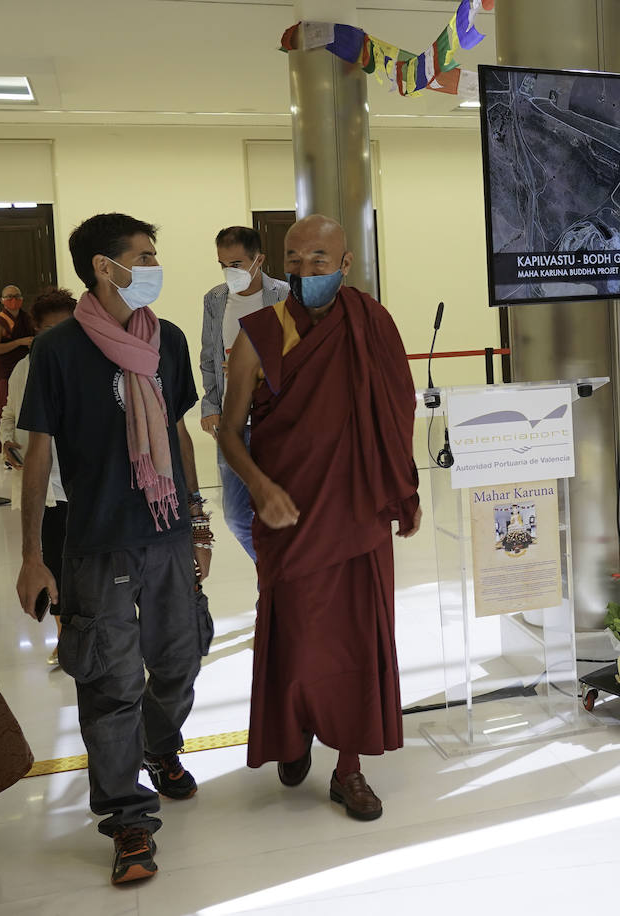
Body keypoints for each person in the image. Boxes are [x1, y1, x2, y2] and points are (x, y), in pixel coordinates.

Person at [15, 213, 213, 885]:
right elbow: (38, 457)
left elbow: (179, 436)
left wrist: (198, 521)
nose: (155, 266)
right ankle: (128, 817)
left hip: (164, 533)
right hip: (96, 542)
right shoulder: (58, 350)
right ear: (106, 267)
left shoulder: (170, 340)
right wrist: (32, 557)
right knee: (110, 681)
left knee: (181, 660)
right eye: (145, 255)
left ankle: (161, 747)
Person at [218, 214, 420, 821]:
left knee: (360, 638)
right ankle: (294, 729)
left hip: (356, 513)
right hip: (291, 516)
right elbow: (229, 434)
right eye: (294, 259)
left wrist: (401, 490)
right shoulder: (257, 333)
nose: (305, 271)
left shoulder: (370, 323)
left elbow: (395, 411)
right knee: (297, 638)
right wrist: (260, 487)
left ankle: (350, 768)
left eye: (319, 261)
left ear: (346, 263)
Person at [200, 226, 289, 562]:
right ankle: (270, 574)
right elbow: (209, 356)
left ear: (259, 260)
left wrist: (257, 365)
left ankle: (277, 587)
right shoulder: (215, 299)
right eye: (223, 264)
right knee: (237, 516)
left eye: (236, 263)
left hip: (276, 419)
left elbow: (299, 353)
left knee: (280, 509)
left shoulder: (284, 295)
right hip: (233, 423)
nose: (229, 272)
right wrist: (210, 404)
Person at [0, 287, 76, 667]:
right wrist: (7, 441)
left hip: (83, 486)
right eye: (48, 329)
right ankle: (65, 640)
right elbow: (9, 416)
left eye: (66, 327)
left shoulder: (88, 364)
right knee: (57, 567)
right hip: (46, 490)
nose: (57, 337)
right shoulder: (23, 370)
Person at [0, 284, 36, 454]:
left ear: (22, 299)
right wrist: (19, 342)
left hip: (26, 369)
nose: (13, 300)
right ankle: (5, 448)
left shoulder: (27, 318)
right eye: (9, 297)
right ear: (2, 300)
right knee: (6, 411)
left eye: (16, 296)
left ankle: (24, 446)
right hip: (8, 372)